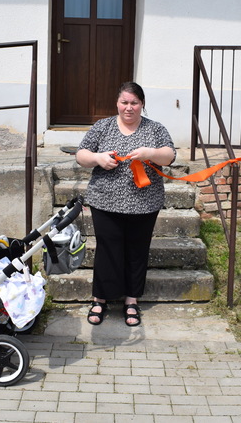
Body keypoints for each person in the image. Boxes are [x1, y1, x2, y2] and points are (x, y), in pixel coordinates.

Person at [76, 82, 176, 327]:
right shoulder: (103, 126)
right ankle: (100, 299)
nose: (129, 107)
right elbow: (81, 155)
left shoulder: (155, 129)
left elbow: (170, 155)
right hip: (105, 201)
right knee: (107, 250)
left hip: (144, 203)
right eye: (124, 102)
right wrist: (98, 158)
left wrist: (150, 153)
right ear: (117, 103)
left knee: (137, 250)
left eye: (134, 103)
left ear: (142, 104)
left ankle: (131, 300)